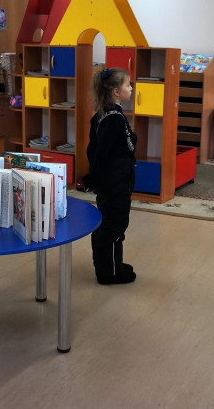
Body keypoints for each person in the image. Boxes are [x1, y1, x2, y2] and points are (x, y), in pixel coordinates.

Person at [83, 67, 137, 285]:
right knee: (115, 225)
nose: (131, 89)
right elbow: (101, 153)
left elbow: (92, 150)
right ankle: (109, 272)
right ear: (116, 91)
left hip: (110, 181)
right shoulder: (114, 119)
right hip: (116, 182)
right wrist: (95, 176)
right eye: (128, 85)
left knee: (106, 221)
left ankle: (110, 264)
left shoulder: (102, 115)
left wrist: (95, 177)